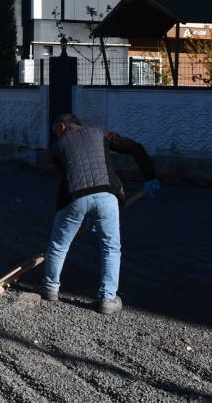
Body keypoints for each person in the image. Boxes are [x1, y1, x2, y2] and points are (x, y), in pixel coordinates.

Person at [42, 113, 161, 315]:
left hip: (75, 197)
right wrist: (149, 177)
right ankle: (107, 299)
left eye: (55, 131)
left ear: (63, 126)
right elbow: (135, 148)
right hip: (107, 196)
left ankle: (50, 289)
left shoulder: (57, 147)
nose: (55, 135)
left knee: (58, 245)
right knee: (111, 248)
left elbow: (66, 179)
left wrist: (76, 214)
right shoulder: (101, 133)